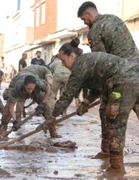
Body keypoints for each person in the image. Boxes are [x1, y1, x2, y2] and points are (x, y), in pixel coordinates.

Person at [42, 38, 139, 174]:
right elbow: (99, 86)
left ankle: (117, 169)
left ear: (72, 56)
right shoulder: (89, 60)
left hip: (123, 83)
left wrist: (52, 116)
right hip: (136, 75)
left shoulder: (79, 65)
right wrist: (86, 102)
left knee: (115, 124)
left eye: (63, 61)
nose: (63, 65)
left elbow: (67, 95)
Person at [77, 1, 139, 158]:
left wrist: (88, 99)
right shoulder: (115, 19)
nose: (85, 23)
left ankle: (109, 156)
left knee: (107, 112)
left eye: (84, 19)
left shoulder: (95, 31)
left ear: (89, 14)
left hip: (121, 79)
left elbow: (101, 67)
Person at [0, 74, 60, 140]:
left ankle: (53, 132)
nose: (30, 91)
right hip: (19, 87)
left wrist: (43, 103)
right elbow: (11, 106)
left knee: (46, 109)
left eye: (31, 88)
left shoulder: (40, 84)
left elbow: (48, 89)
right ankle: (2, 131)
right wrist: (15, 120)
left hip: (36, 92)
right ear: (24, 85)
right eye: (28, 89)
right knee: (7, 111)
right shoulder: (17, 88)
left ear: (35, 85)